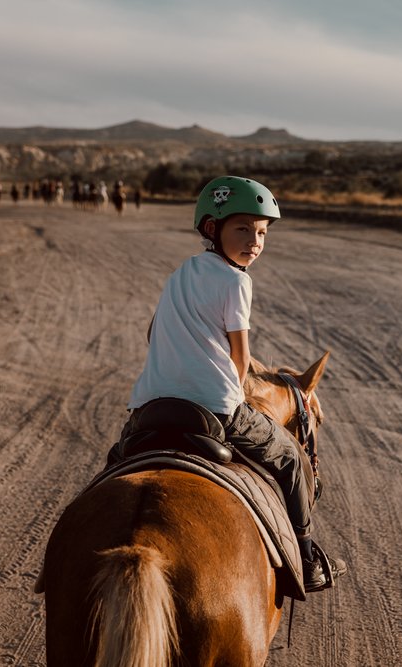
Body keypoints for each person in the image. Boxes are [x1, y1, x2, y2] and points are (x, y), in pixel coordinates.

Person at [113, 175, 347, 593]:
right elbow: (240, 354)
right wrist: (235, 392)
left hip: (150, 403)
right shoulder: (237, 280)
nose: (254, 241)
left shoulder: (181, 273)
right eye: (242, 229)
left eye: (261, 233)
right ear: (211, 229)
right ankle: (308, 557)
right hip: (215, 407)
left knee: (118, 459)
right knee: (292, 460)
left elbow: (153, 334)